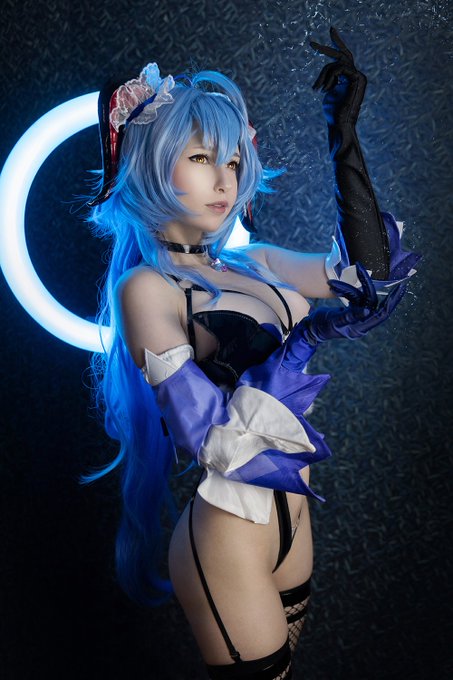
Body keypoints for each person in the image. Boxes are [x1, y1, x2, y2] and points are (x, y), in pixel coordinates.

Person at [83, 27, 419, 679]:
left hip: (292, 517)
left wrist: (343, 139)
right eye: (202, 157)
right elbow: (209, 436)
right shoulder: (146, 288)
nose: (224, 179)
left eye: (234, 161)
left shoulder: (254, 260)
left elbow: (371, 276)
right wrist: (308, 339)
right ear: (153, 162)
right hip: (228, 531)